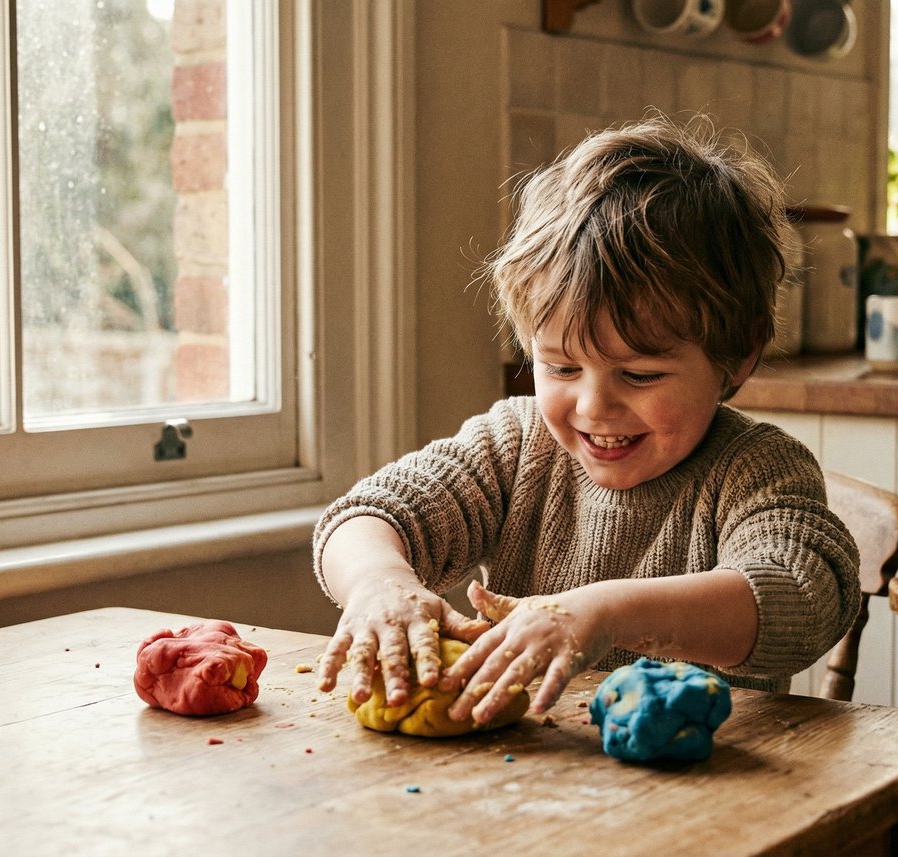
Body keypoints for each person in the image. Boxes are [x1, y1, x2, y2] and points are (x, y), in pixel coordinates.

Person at [314, 116, 861, 726]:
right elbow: (370, 514)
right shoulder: (516, 447)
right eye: (560, 367)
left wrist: (605, 614)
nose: (594, 408)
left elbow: (804, 597)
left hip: (713, 793)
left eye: (641, 375)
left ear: (738, 357)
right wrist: (378, 583)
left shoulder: (755, 471)